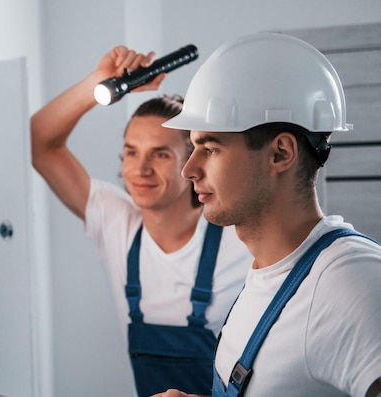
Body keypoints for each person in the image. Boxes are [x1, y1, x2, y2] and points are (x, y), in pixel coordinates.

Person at [155, 32, 381, 397]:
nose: (189, 169)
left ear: (280, 154)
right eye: (194, 147)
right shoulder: (269, 272)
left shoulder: (350, 284)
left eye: (210, 148)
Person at [30, 46, 252, 396]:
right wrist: (98, 83)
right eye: (132, 152)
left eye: (160, 154)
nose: (140, 169)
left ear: (192, 162)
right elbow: (39, 141)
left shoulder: (241, 239)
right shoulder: (114, 219)